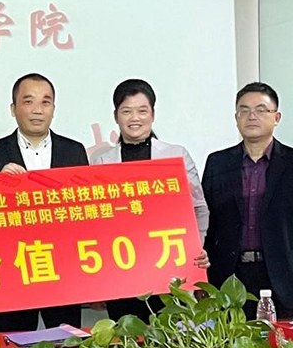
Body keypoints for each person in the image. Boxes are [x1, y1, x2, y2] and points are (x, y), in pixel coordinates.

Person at [90, 78, 211, 321]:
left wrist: (196, 247)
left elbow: (199, 208)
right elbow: (95, 223)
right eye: (126, 111)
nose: (134, 118)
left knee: (171, 337)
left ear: (153, 115)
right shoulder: (101, 161)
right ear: (116, 116)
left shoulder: (176, 154)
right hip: (120, 273)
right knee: (126, 338)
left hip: (170, 268)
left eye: (142, 111)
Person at [203, 82, 293, 320]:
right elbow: (208, 224)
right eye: (244, 110)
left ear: (276, 117)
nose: (252, 116)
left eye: (261, 110)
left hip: (283, 277)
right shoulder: (217, 163)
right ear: (236, 118)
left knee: (281, 342)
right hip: (229, 276)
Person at [0, 73, 88, 332]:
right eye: (28, 102)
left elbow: (84, 215)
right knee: (13, 347)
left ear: (53, 109)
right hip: (14, 272)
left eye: (45, 102)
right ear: (13, 109)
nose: (38, 110)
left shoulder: (74, 151)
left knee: (67, 346)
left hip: (64, 272)